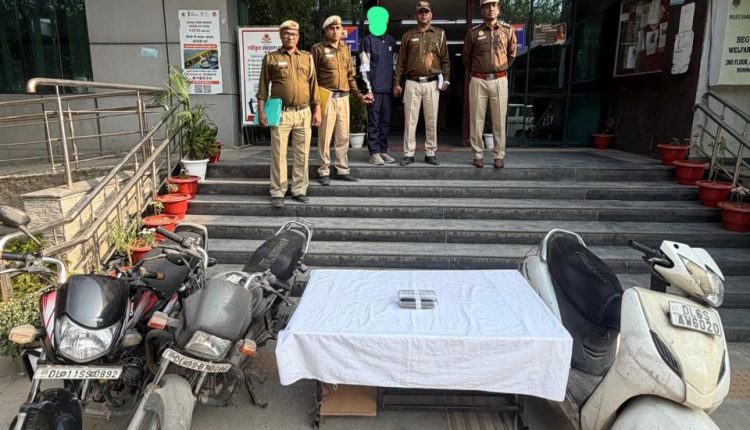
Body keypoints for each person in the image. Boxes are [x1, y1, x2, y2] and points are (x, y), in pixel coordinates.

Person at [257, 20, 322, 208]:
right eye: (286, 33)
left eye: (293, 34)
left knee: (302, 154)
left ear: (298, 36)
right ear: (281, 36)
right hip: (281, 113)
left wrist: (317, 110)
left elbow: (314, 86)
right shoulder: (271, 58)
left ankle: (299, 189)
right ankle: (278, 191)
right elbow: (263, 87)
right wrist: (261, 111)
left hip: (303, 112)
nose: (290, 37)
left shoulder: (307, 58)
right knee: (279, 153)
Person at [311, 16, 370, 185]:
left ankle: (342, 169)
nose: (335, 31)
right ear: (326, 31)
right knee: (325, 137)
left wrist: (359, 95)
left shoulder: (345, 49)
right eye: (331, 28)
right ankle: (324, 171)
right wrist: (315, 103)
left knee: (343, 136)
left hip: (344, 98)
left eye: (338, 28)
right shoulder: (318, 49)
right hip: (327, 97)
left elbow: (350, 76)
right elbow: (312, 78)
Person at [392, 1, 450, 166]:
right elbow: (400, 63)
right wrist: (396, 82)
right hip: (412, 83)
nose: (423, 15)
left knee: (431, 120)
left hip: (432, 83)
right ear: (416, 15)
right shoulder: (408, 35)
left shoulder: (440, 34)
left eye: (426, 12)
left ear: (431, 15)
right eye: (420, 12)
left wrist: (446, 79)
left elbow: (445, 60)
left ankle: (430, 152)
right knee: (410, 120)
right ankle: (408, 153)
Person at [463, 0, 516, 169]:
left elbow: (512, 55)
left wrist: (500, 69)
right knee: (476, 120)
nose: (491, 9)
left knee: (499, 119)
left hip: (500, 80)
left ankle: (498, 155)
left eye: (494, 5)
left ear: (498, 9)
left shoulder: (507, 31)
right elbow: (466, 58)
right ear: (482, 10)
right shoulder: (473, 33)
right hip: (478, 80)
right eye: (487, 6)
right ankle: (477, 155)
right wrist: (479, 71)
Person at [360, 7, 398, 166]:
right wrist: (368, 90)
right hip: (374, 89)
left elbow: (395, 66)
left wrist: (395, 84)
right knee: (374, 122)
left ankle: (383, 150)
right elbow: (364, 67)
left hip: (387, 89)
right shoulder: (367, 41)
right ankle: (374, 153)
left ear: (387, 22)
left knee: (385, 122)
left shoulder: (391, 41)